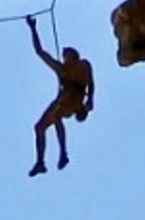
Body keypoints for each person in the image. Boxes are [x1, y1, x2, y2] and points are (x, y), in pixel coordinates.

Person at [25, 15, 94, 176]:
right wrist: (33, 28)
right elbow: (40, 52)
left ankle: (63, 153)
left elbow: (91, 84)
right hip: (64, 99)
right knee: (39, 127)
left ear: (73, 56)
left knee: (56, 116)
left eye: (66, 54)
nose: (64, 54)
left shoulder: (83, 65)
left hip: (74, 98)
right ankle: (40, 162)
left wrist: (91, 99)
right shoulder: (62, 69)